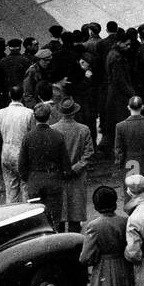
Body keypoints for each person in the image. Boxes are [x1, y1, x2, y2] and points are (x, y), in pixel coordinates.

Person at [19, 102, 69, 227]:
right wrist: (62, 176)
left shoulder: (28, 137)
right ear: (49, 116)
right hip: (53, 179)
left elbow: (22, 164)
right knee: (53, 219)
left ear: (34, 117)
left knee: (36, 219)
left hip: (35, 181)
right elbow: (66, 164)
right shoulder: (58, 136)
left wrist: (28, 178)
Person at [54, 96, 95, 233]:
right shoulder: (84, 129)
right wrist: (76, 167)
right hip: (77, 177)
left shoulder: (53, 130)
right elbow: (89, 153)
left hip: (58, 177)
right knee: (75, 218)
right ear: (74, 112)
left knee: (59, 218)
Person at [114, 96, 144, 199]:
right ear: (142, 107)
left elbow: (119, 150)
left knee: (132, 196)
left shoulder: (120, 126)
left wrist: (121, 165)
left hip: (130, 164)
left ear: (128, 107)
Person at [0, 86, 33, 203]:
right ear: (23, 96)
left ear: (9, 95)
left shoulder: (0, 113)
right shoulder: (29, 113)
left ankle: (11, 212)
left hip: (7, 154)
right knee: (26, 188)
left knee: (10, 190)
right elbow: (33, 135)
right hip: (24, 154)